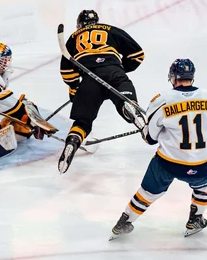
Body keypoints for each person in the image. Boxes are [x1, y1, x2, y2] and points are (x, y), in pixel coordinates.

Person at [109, 59, 207, 240]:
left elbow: (150, 138)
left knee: (147, 192)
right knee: (205, 185)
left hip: (168, 163)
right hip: (200, 164)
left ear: (173, 78)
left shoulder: (161, 100)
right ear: (192, 77)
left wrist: (148, 128)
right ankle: (195, 219)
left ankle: (124, 222)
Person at [58, 9, 146, 174]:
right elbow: (138, 55)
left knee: (83, 122)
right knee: (125, 101)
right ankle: (129, 107)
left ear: (79, 25)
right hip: (114, 72)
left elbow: (67, 73)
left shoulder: (73, 37)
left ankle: (73, 141)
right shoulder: (110, 29)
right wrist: (119, 68)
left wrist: (75, 89)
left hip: (90, 79)